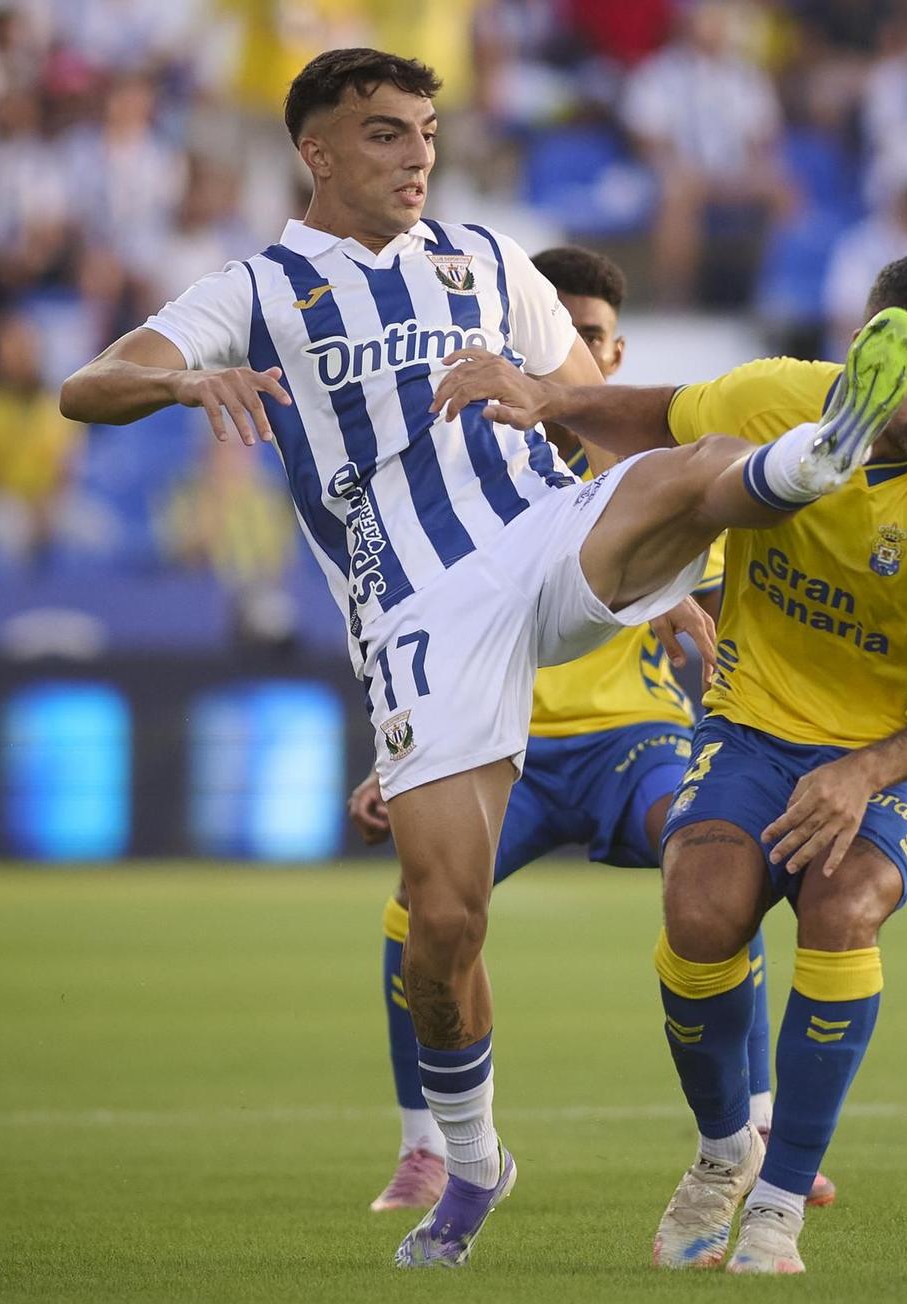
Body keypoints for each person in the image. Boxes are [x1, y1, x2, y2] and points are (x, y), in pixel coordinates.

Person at [59, 48, 907, 1268]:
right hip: (416, 615)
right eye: (382, 134)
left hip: (540, 533)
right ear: (315, 150)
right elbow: (84, 388)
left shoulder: (488, 259)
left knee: (684, 464)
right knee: (441, 925)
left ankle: (814, 460)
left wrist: (574, 440)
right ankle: (471, 1163)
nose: (415, 153)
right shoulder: (253, 288)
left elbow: (595, 411)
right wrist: (187, 381)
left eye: (423, 129)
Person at [438, 253, 907, 1274]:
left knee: (839, 903)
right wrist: (544, 397)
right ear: (866, 349)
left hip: (896, 749)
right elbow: (652, 415)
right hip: (752, 724)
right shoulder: (771, 397)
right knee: (701, 908)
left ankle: (780, 1204)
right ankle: (721, 1159)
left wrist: (863, 773)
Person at [345, 244, 834, 1216]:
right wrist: (391, 750)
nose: (568, 352)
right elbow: (415, 615)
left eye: (588, 338)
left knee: (715, 859)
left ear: (610, 354)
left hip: (632, 740)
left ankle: (761, 1120)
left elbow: (747, 582)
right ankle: (428, 1149)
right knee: (416, 912)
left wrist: (694, 608)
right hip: (502, 746)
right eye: (548, 334)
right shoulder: (463, 470)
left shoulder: (658, 472)